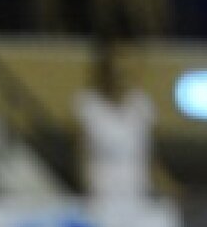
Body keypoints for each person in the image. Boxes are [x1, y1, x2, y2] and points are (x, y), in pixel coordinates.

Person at [73, 40, 175, 203]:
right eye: (118, 68)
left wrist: (166, 185)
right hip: (101, 190)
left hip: (137, 189)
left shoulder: (143, 105)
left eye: (128, 69)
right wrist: (86, 188)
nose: (123, 74)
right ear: (106, 70)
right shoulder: (89, 106)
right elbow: (81, 154)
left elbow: (149, 153)